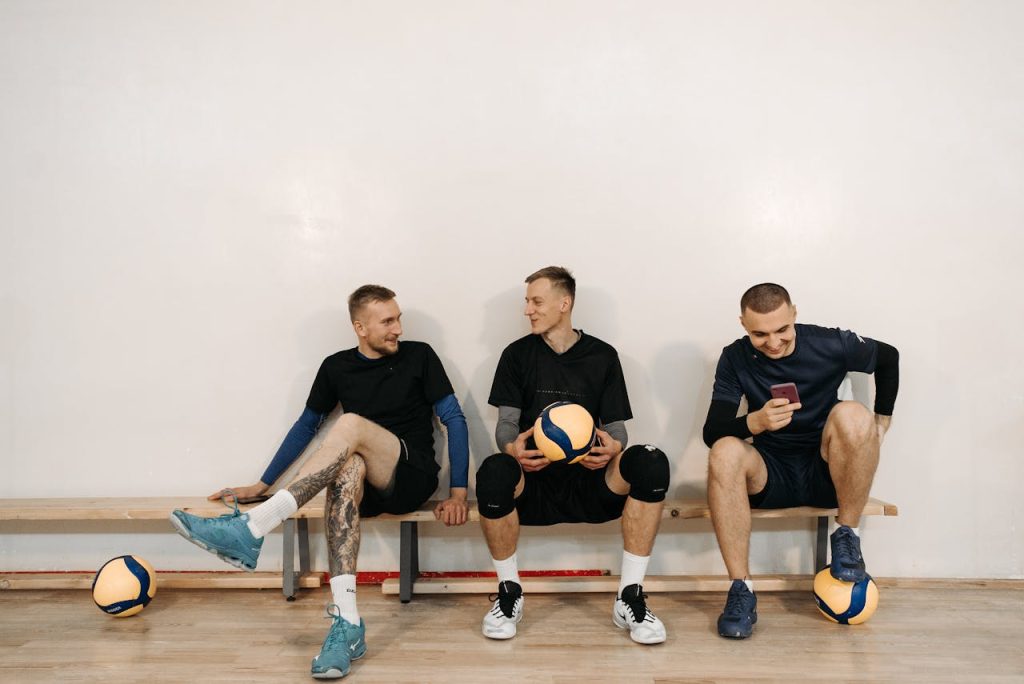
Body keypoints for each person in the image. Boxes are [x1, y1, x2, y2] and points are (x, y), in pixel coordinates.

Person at [169, 285, 470, 679]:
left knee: (350, 424)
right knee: (347, 471)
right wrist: (262, 484)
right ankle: (347, 624)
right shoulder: (336, 367)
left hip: (411, 475)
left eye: (398, 319)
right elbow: (306, 425)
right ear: (360, 327)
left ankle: (254, 526)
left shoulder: (420, 356)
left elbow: (454, 419)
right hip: (364, 485)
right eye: (387, 321)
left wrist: (459, 491)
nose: (398, 328)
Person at [475, 266, 671, 644]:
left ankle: (629, 596)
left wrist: (614, 448)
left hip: (592, 484)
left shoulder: (602, 356)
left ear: (564, 303)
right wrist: (513, 448)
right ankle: (509, 594)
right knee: (494, 470)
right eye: (527, 302)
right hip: (534, 485)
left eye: (536, 301)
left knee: (651, 461)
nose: (527, 310)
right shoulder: (516, 355)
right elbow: (506, 426)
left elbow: (617, 430)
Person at [702, 283, 899, 639]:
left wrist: (883, 418)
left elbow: (888, 357)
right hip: (770, 474)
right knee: (724, 451)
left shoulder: (829, 342)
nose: (773, 342)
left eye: (782, 330)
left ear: (794, 314)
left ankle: (847, 535)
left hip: (825, 472)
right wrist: (754, 422)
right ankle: (741, 590)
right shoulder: (735, 357)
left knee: (855, 414)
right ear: (744, 325)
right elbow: (712, 431)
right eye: (760, 334)